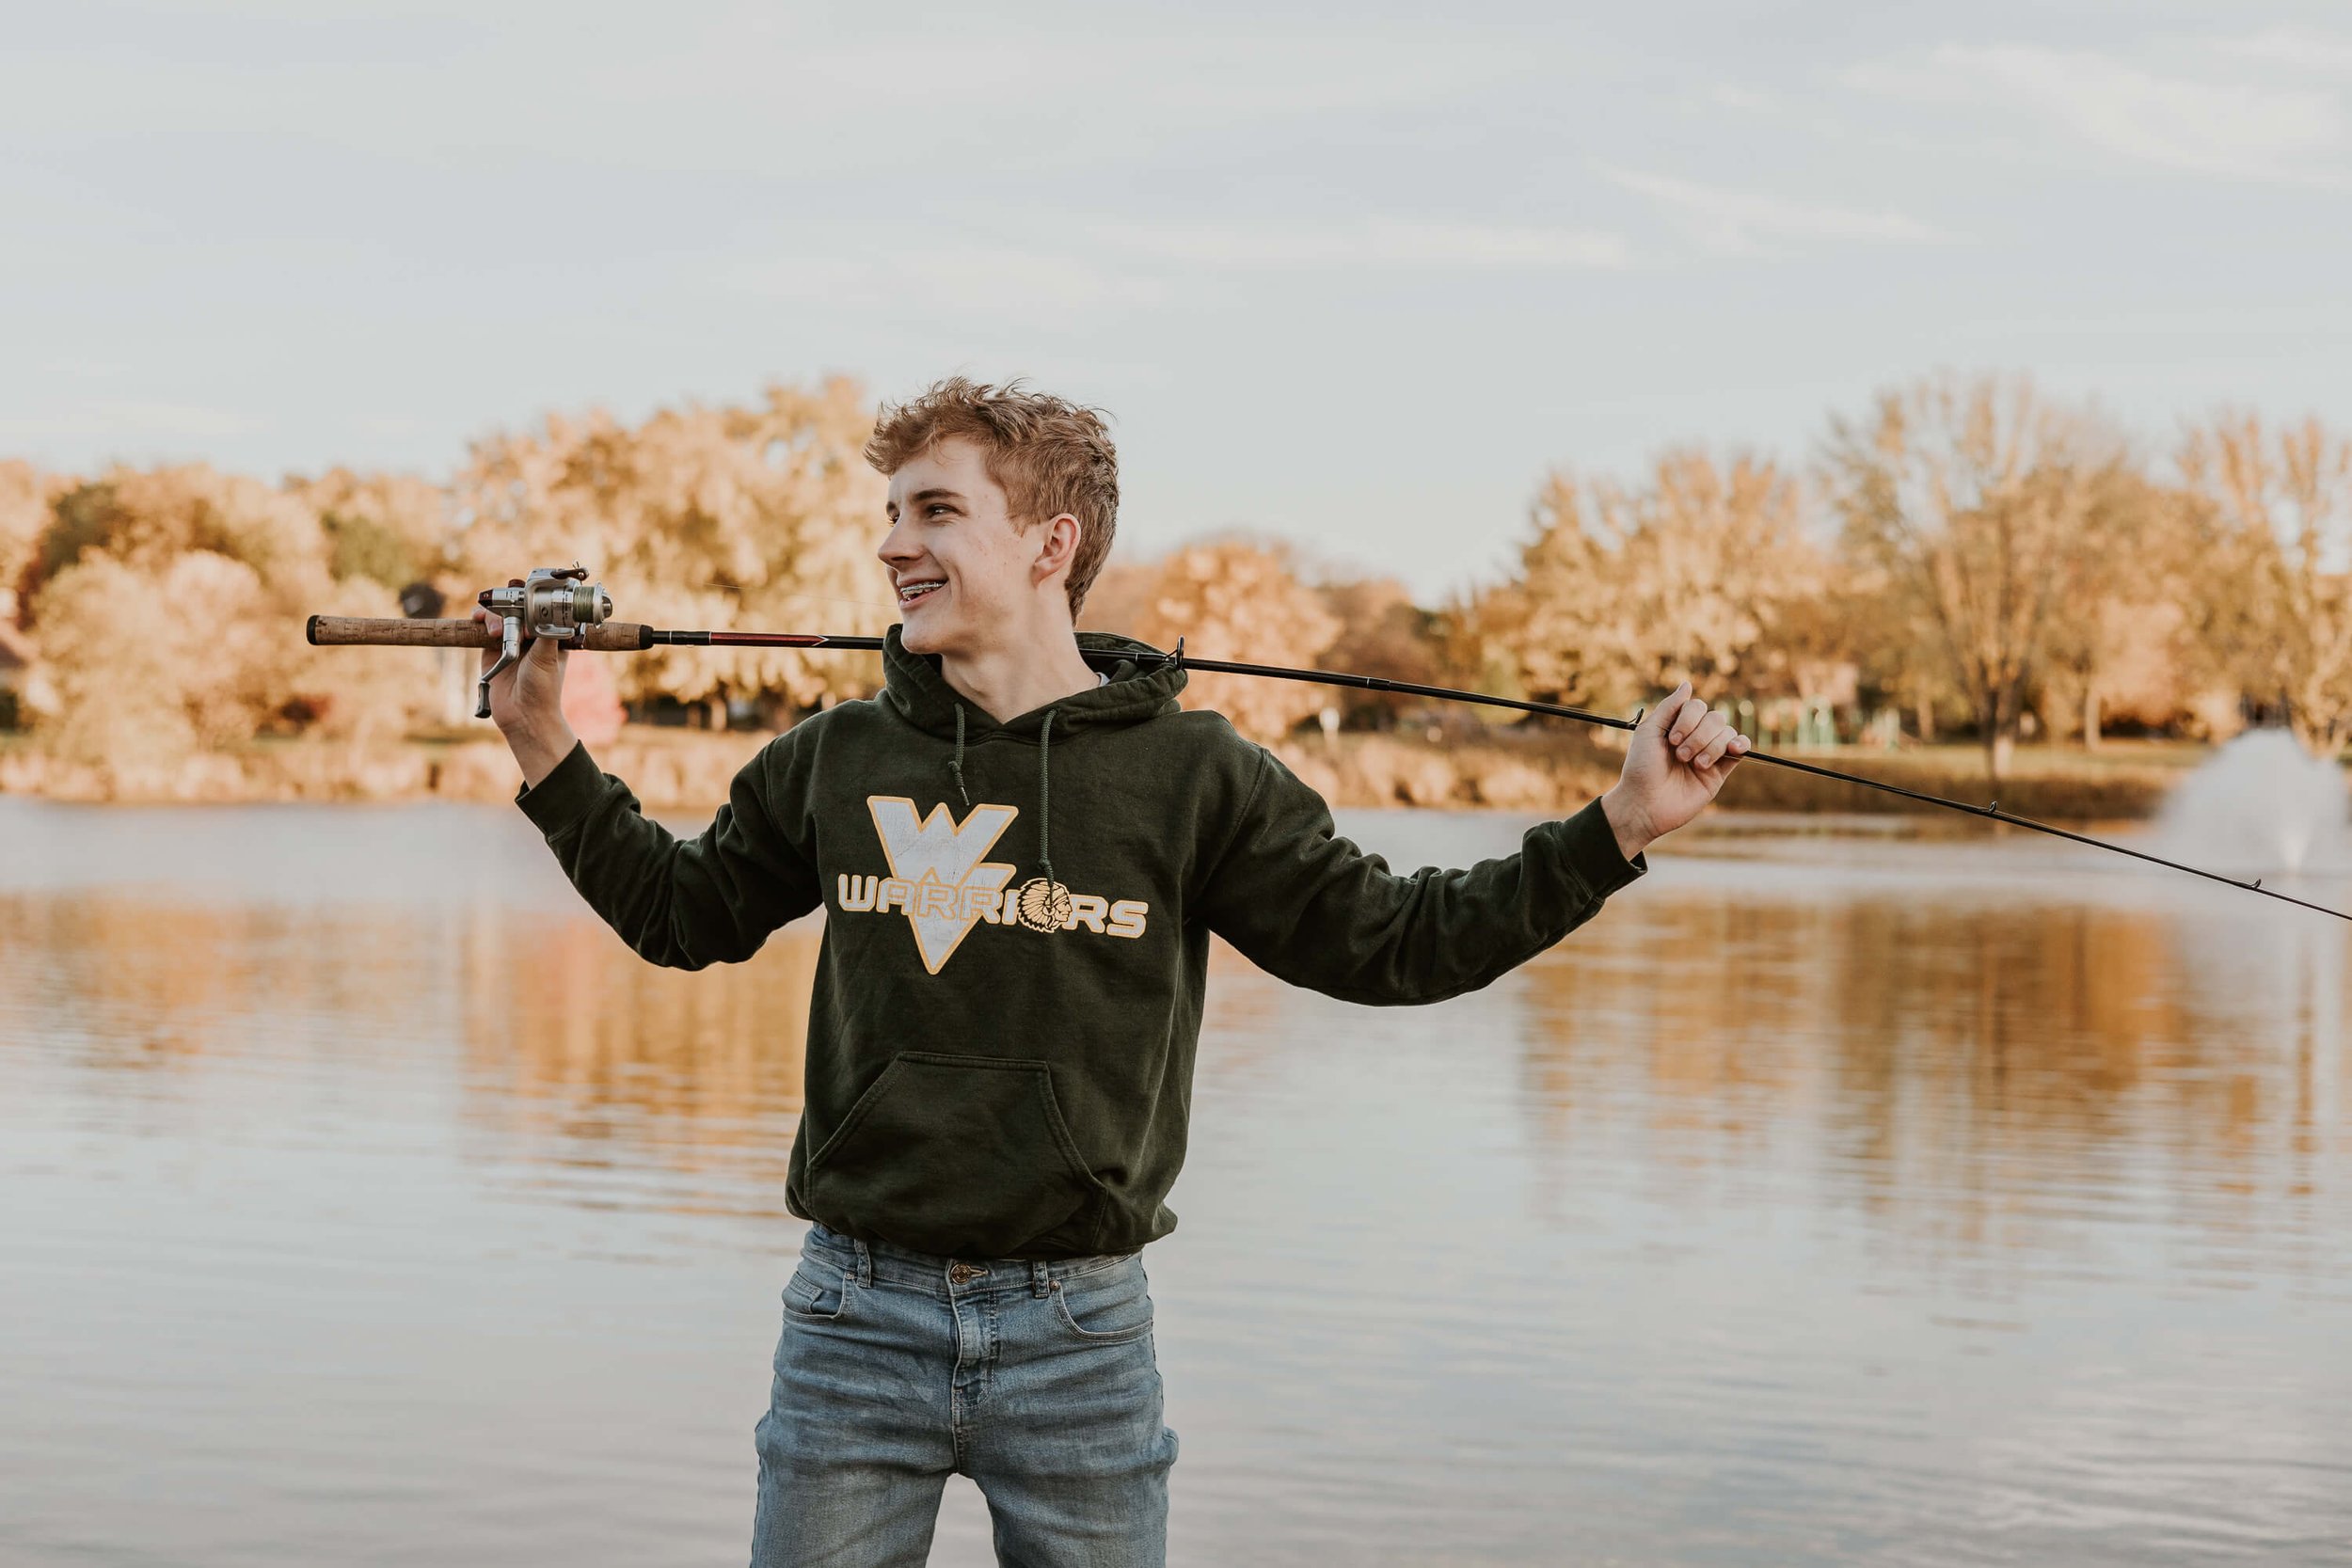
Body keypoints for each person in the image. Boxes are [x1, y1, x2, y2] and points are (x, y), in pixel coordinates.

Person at [477, 377, 1749, 1568]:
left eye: (935, 511)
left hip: (1079, 1340)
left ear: (1050, 545)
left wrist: (1619, 827)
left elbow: (1398, 944)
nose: (891, 546)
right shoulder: (837, 758)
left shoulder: (1192, 776)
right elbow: (678, 913)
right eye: (890, 513)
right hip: (851, 1324)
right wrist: (542, 743)